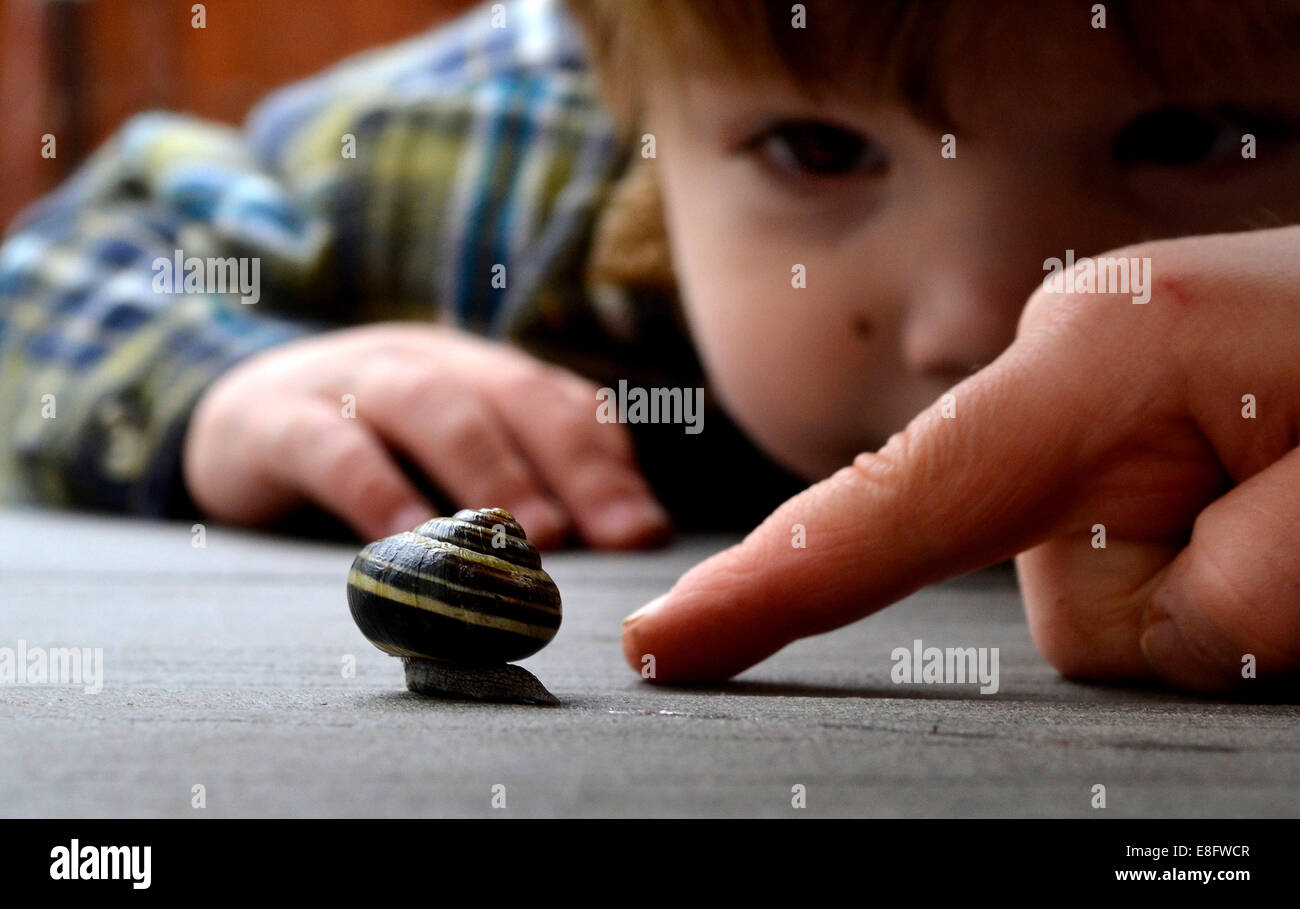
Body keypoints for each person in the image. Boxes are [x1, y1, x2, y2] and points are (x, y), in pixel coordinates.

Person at [2, 0, 1297, 695]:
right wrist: (225, 381)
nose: (980, 319)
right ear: (635, 114)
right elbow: (61, 263)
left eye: (1192, 139)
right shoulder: (504, 148)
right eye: (821, 149)